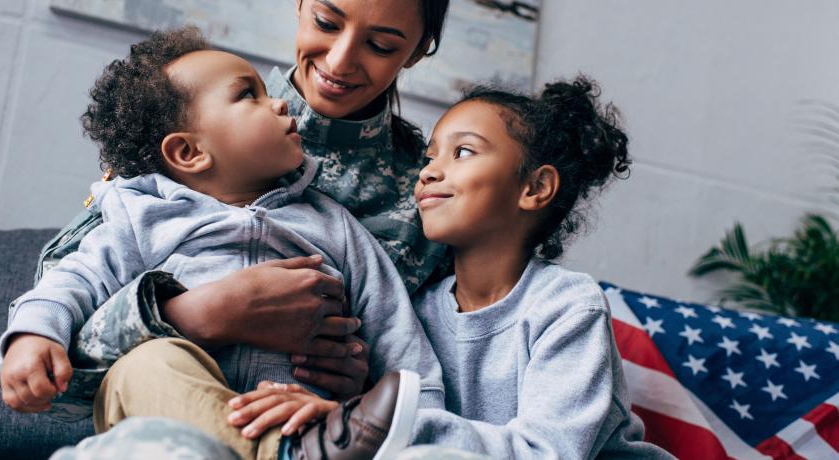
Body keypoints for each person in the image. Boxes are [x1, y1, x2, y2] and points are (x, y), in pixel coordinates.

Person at [0, 27, 442, 459]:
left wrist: (416, 422)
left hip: (294, 416)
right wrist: (33, 333)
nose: (281, 102)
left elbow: (401, 344)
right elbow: (75, 278)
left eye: (382, 44)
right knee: (148, 362)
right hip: (170, 428)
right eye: (249, 95)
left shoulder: (335, 224)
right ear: (189, 152)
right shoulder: (141, 216)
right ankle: (278, 454)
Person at [224, 78, 676, 458]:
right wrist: (344, 411)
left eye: (462, 153)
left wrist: (382, 427)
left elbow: (546, 452)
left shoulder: (567, 306)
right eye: (429, 157)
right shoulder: (414, 310)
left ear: (535, 187)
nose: (428, 173)